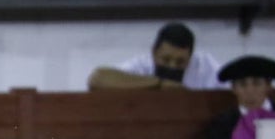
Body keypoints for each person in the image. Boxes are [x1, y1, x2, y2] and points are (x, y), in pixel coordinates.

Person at [87, 22, 221, 90]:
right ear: (154, 53)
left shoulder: (204, 65)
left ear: (191, 57)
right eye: (166, 59)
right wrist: (159, 83)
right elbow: (97, 79)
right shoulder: (141, 66)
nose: (172, 66)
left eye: (180, 62)